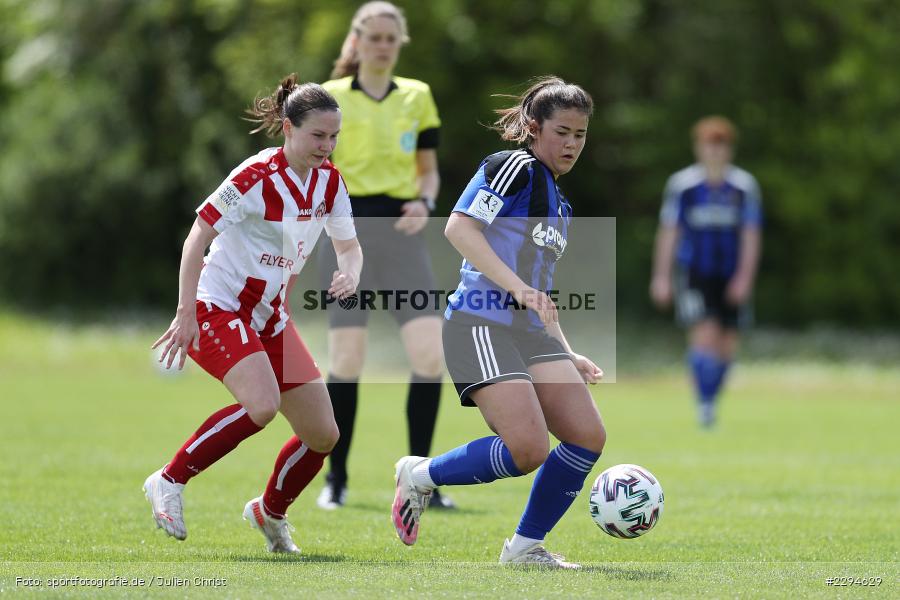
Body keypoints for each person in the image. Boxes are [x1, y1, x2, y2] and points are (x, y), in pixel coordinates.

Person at [390, 76, 607, 569]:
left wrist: (566, 349)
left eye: (581, 134)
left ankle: (525, 548)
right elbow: (459, 227)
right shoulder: (512, 167)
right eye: (563, 132)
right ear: (533, 128)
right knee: (527, 448)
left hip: (529, 331)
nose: (572, 143)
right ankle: (421, 475)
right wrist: (517, 288)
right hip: (479, 323)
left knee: (587, 435)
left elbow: (541, 290)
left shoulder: (561, 203)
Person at [143, 74, 362, 554]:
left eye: (333, 137)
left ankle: (270, 512)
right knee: (261, 406)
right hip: (217, 306)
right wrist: (186, 313)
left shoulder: (330, 182)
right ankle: (169, 480)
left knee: (323, 435)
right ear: (288, 128)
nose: (327, 146)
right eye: (317, 136)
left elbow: (349, 246)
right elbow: (195, 240)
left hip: (270, 318)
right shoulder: (256, 176)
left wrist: (349, 273)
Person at [315, 1, 454, 510]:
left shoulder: (417, 96)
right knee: (347, 362)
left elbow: (429, 169)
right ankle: (337, 480)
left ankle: (421, 482)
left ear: (400, 43)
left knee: (429, 356)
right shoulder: (330, 98)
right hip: (348, 239)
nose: (381, 45)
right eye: (372, 37)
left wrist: (426, 200)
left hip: (402, 236)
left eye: (389, 38)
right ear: (357, 41)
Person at [650, 116, 762, 427]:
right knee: (705, 337)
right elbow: (669, 232)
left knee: (727, 347)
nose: (714, 152)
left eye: (720, 146)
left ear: (729, 150)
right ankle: (705, 405)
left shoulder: (743, 188)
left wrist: (744, 278)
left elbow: (751, 236)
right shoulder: (684, 187)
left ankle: (712, 398)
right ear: (698, 148)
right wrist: (661, 277)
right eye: (708, 146)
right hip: (694, 274)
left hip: (730, 274)